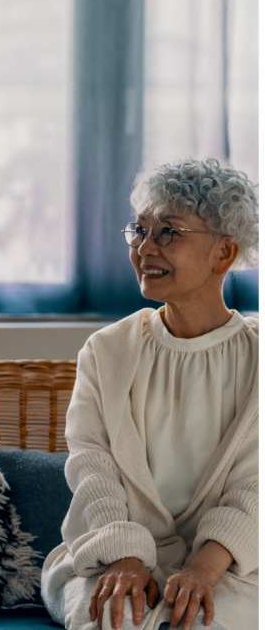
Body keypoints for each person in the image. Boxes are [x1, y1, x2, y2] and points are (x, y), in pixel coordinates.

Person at [42, 159, 258, 630]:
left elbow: (256, 486)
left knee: (208, 619)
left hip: (236, 563)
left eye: (169, 233)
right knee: (114, 614)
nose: (145, 248)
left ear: (223, 254)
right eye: (139, 230)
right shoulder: (106, 351)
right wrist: (125, 557)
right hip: (110, 549)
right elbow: (91, 465)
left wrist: (204, 568)